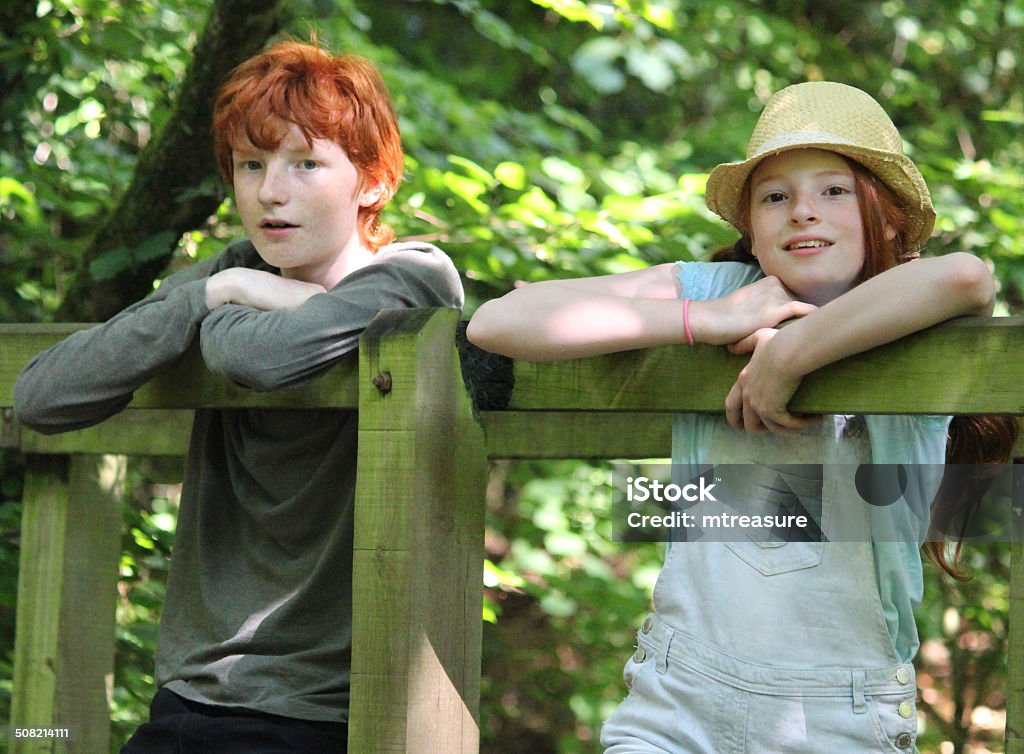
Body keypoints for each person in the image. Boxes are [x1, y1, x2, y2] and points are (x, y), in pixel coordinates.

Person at [468, 81, 1016, 752]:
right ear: (750, 231)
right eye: (775, 196)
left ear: (891, 215)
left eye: (834, 191)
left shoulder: (907, 304)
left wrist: (789, 356)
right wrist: (707, 319)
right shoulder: (721, 290)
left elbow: (967, 276)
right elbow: (499, 321)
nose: (802, 212)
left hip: (841, 712)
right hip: (677, 696)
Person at [15, 40, 463, 753]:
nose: (269, 192)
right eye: (251, 166)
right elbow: (40, 396)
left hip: (322, 714)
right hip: (188, 697)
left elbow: (257, 356)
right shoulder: (229, 271)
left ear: (372, 181)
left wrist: (226, 304)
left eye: (305, 164)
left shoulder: (410, 280)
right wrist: (219, 290)